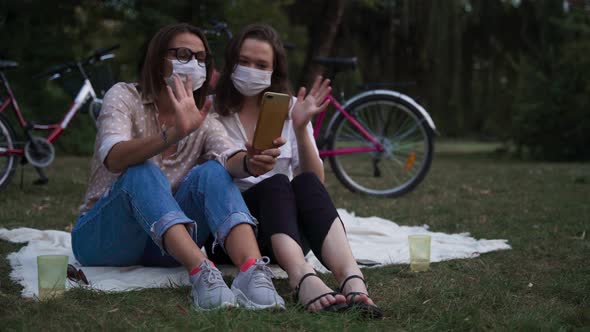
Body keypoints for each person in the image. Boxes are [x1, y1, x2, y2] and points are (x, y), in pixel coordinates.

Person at [71, 23, 287, 311]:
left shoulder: (202, 119)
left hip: (163, 245)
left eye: (200, 59)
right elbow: (114, 156)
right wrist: (171, 134)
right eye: (183, 54)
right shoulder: (123, 96)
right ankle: (202, 271)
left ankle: (252, 272)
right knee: (141, 170)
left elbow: (227, 156)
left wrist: (250, 162)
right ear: (159, 57)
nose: (193, 64)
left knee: (213, 171)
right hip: (104, 239)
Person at [210, 23, 383, 318]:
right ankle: (301, 277)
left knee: (304, 182)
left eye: (261, 64)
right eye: (244, 62)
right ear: (231, 64)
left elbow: (315, 183)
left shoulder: (291, 109)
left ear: (273, 71)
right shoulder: (211, 111)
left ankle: (351, 277)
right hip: (233, 235)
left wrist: (301, 128)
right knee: (277, 182)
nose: (251, 70)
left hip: (284, 233)